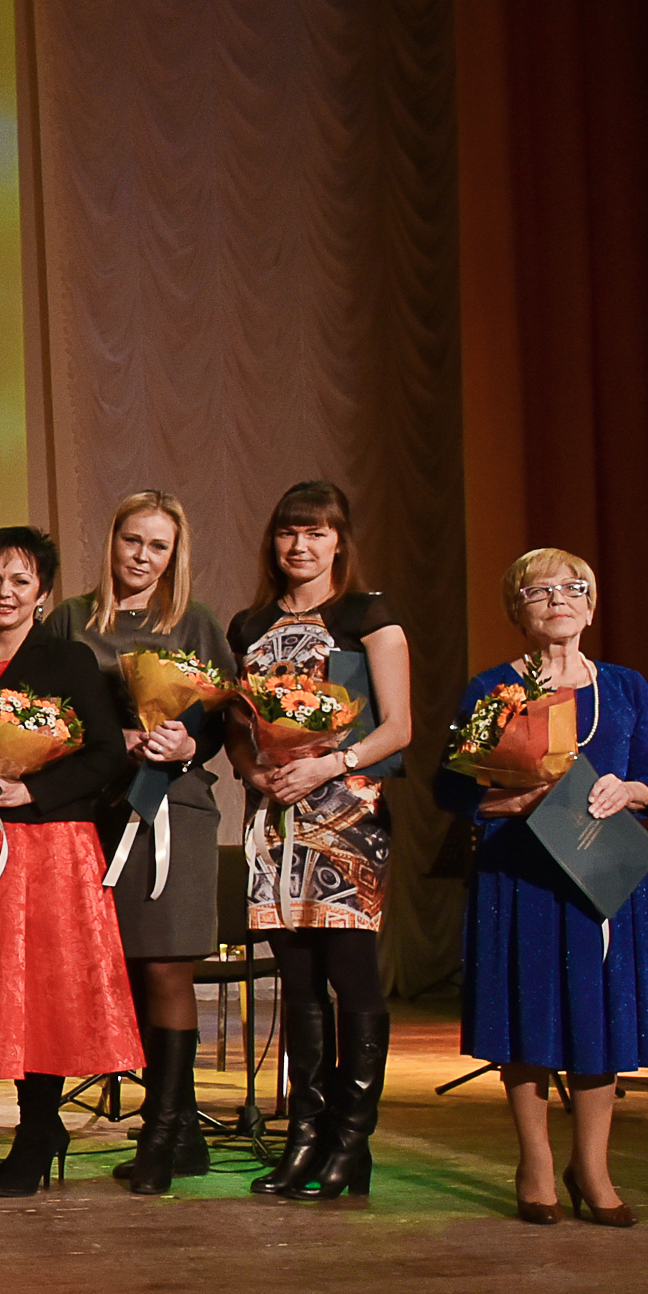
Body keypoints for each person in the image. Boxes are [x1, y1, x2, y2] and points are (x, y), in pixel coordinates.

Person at [433, 549, 648, 1226]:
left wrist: (629, 789)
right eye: (539, 591)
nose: (558, 599)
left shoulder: (625, 686)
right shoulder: (491, 687)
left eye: (573, 588)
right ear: (518, 610)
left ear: (591, 605)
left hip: (602, 870)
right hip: (520, 873)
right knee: (527, 1013)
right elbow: (451, 786)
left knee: (601, 1016)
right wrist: (506, 802)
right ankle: (535, 1162)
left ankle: (592, 1166)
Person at [226, 479, 415, 1200]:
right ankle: (304, 1137)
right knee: (298, 982)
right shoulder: (250, 624)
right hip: (276, 821)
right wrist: (255, 772)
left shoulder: (369, 614)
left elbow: (397, 726)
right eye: (288, 532)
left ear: (340, 541)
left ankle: (350, 1142)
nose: (299, 545)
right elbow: (236, 726)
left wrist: (328, 765)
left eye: (315, 532)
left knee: (352, 977)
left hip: (349, 818)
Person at [47, 492, 237, 1194]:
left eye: (158, 546)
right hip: (97, 811)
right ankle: (182, 1129)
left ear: (174, 554)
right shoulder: (73, 617)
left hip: (173, 809)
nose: (142, 556)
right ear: (112, 541)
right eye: (132, 540)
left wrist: (189, 742)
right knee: (123, 973)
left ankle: (159, 1136)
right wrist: (109, 737)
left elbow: (225, 716)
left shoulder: (196, 621)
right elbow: (49, 714)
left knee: (166, 968)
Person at [0, 526, 138, 1197]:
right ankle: (38, 1126)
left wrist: (29, 789)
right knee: (8, 990)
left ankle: (37, 1130)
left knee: (46, 990)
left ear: (43, 593)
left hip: (53, 845)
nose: (5, 592)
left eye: (21, 581)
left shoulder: (68, 659)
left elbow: (107, 753)